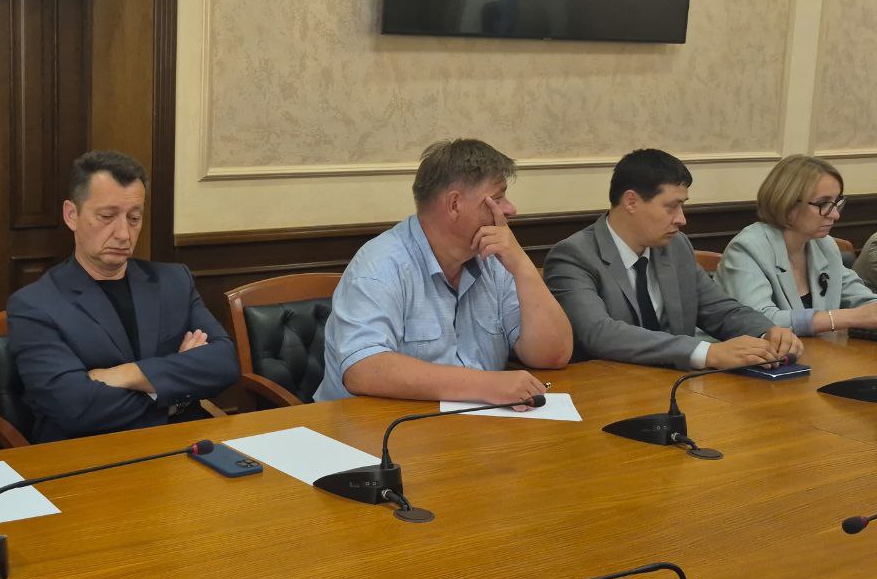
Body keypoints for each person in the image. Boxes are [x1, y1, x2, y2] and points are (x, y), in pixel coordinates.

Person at [313, 139, 572, 407]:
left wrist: (523, 266)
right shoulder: (380, 264)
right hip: (372, 425)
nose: (510, 209)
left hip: (467, 425)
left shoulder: (494, 259)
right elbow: (363, 370)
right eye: (497, 198)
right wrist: (486, 385)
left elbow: (552, 355)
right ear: (455, 204)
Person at [7, 151, 238, 443]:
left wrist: (127, 374)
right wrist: (175, 393)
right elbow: (75, 406)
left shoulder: (173, 281)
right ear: (72, 215)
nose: (123, 234)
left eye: (134, 218)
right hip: (91, 453)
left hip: (183, 443)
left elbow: (224, 363)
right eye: (107, 217)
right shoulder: (35, 304)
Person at [544, 149, 802, 369]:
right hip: (608, 390)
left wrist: (767, 332)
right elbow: (599, 333)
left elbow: (719, 309)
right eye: (671, 207)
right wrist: (707, 353)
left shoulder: (676, 246)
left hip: (677, 386)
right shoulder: (574, 255)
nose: (682, 219)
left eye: (682, 206)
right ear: (631, 202)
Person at [716, 155, 877, 334]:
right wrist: (846, 317)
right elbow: (758, 320)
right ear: (788, 203)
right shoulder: (747, 248)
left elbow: (863, 301)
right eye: (823, 203)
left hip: (818, 349)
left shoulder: (824, 245)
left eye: (837, 202)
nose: (835, 215)